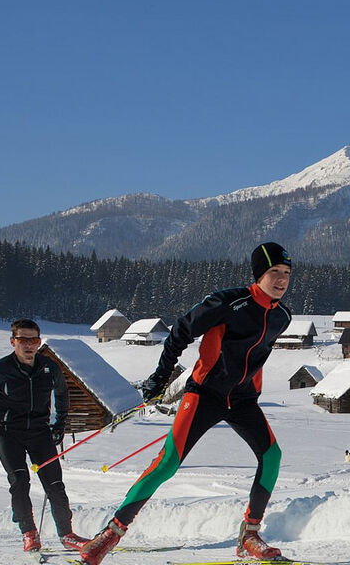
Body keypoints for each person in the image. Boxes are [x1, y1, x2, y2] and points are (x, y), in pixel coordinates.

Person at [80, 242, 293, 565]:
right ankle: (110, 534)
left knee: (272, 456)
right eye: (274, 272)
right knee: (167, 464)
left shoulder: (283, 317)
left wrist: (251, 388)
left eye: (287, 273)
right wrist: (160, 376)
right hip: (205, 394)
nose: (281, 279)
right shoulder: (228, 302)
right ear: (258, 274)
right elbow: (181, 330)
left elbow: (255, 356)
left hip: (242, 400)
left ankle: (249, 534)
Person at [0, 319, 89, 552]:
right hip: (7, 432)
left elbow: (62, 394)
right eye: (23, 340)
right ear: (13, 341)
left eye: (33, 340)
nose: (29, 345)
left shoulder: (48, 367)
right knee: (20, 481)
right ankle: (29, 533)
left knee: (55, 484)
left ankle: (67, 535)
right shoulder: (0, 369)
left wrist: (59, 423)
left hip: (39, 431)